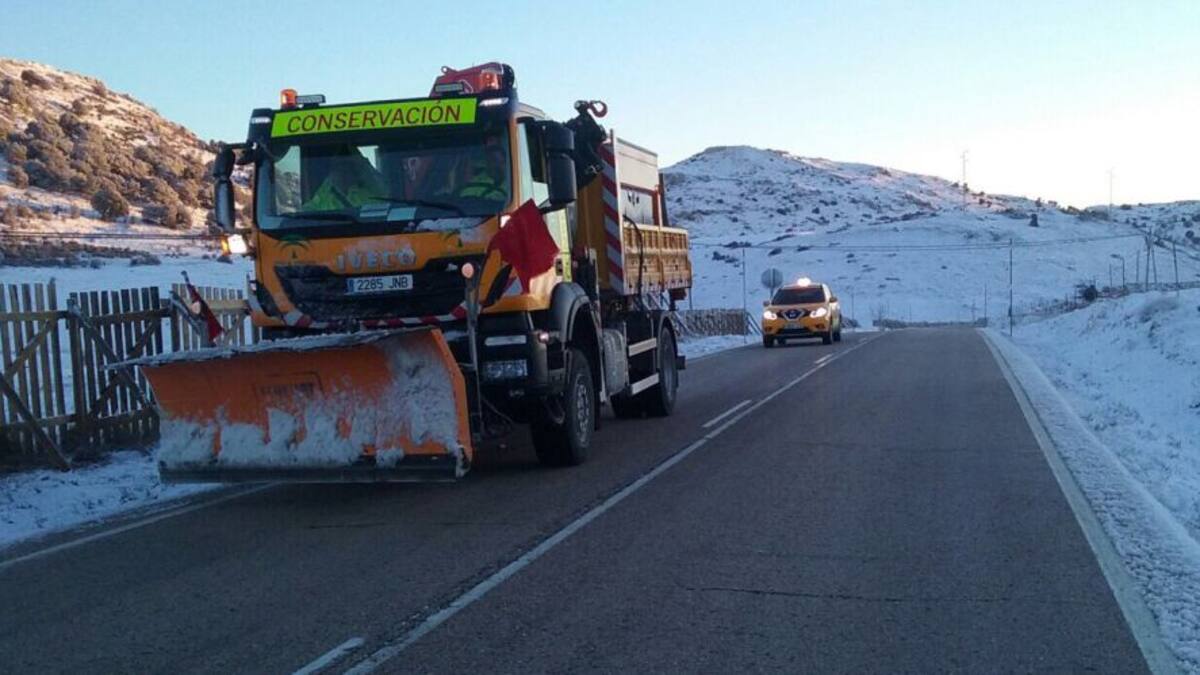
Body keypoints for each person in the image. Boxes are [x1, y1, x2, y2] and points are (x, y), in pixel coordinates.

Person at [301, 146, 386, 211]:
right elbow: (306, 216)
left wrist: (356, 156)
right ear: (331, 170)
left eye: (346, 166)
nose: (342, 171)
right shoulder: (323, 195)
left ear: (354, 170)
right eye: (337, 166)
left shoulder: (369, 194)